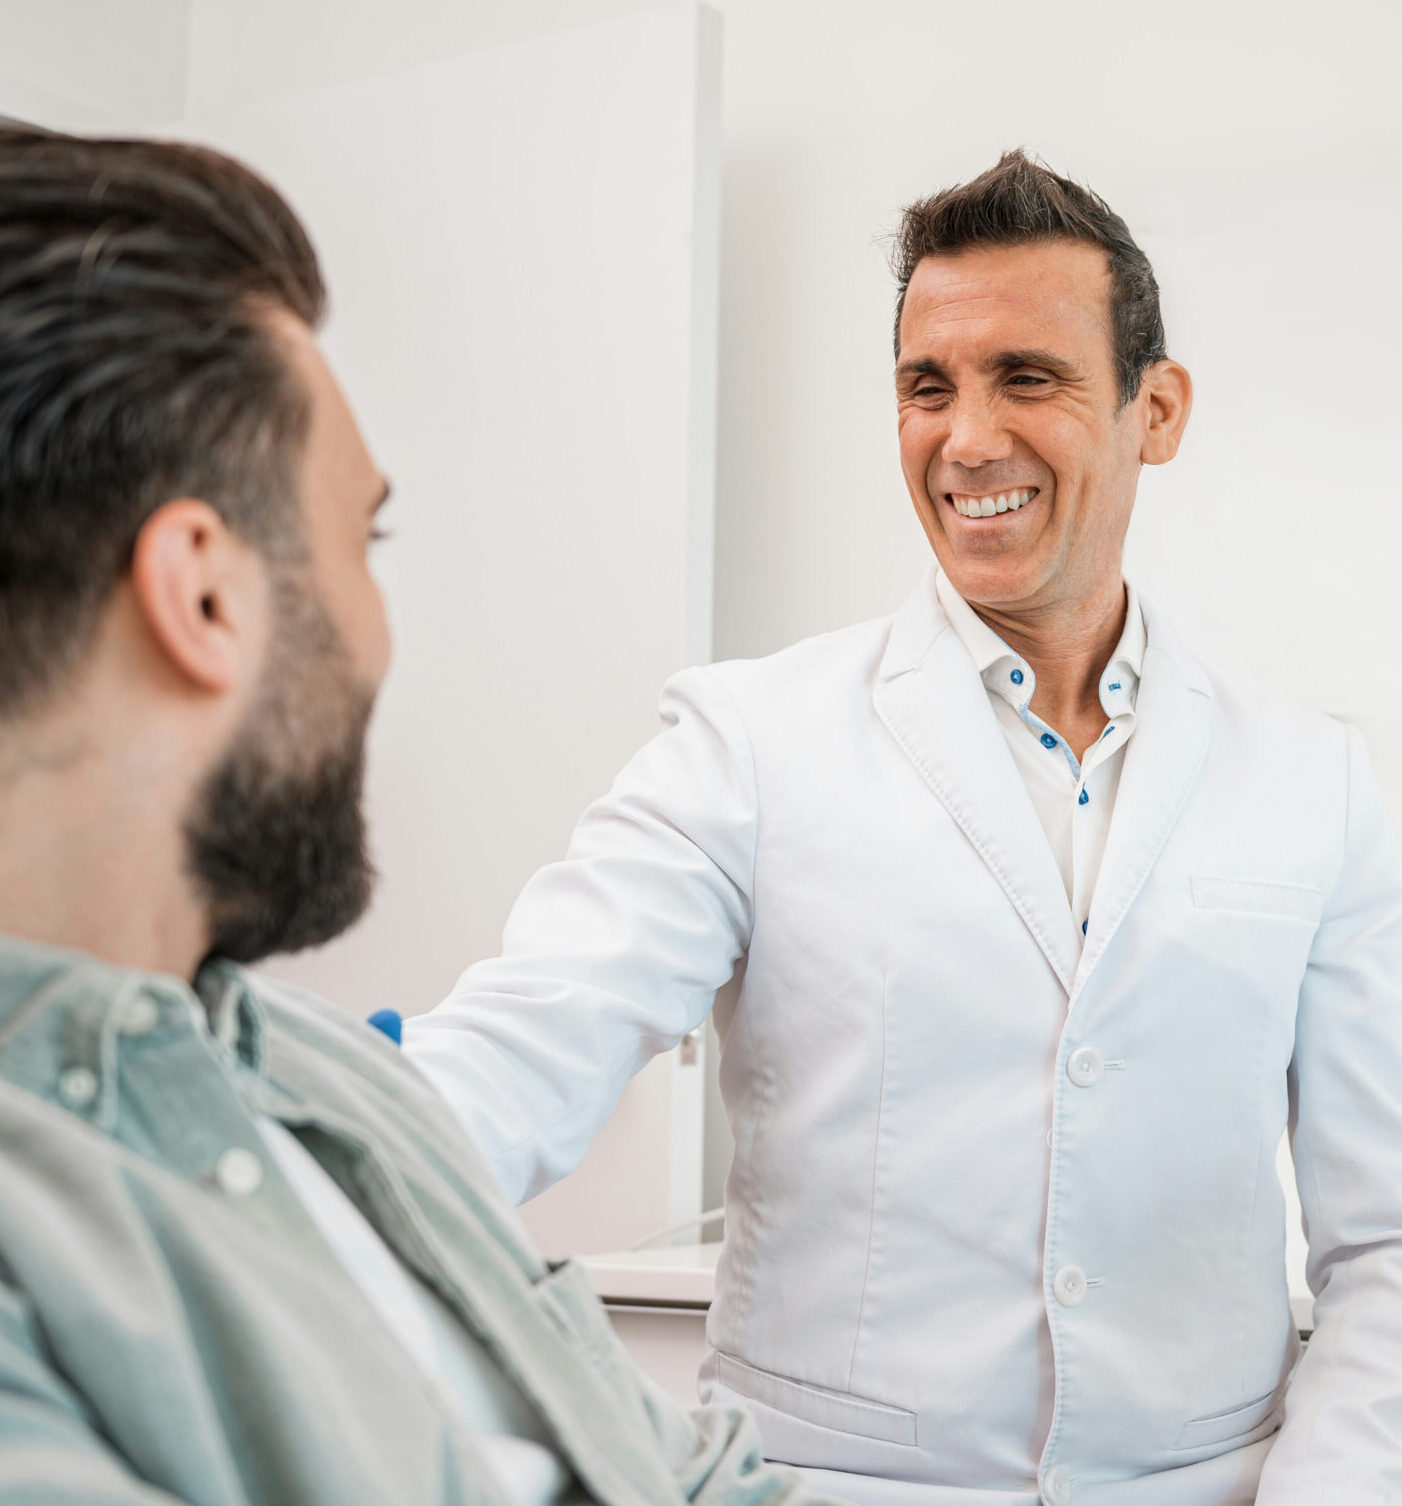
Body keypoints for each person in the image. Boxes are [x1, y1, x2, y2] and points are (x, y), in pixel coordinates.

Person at [407, 151, 1402, 1506]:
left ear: (1155, 411)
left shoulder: (1310, 780)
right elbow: (527, 1040)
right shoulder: (748, 741)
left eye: (1025, 378)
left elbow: (1397, 1240)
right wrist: (259, 1169)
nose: (966, 439)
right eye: (928, 386)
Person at [0, 128, 841, 1506]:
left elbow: (683, 1475)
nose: (380, 631)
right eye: (364, 541)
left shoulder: (335, 1081)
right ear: (202, 597)